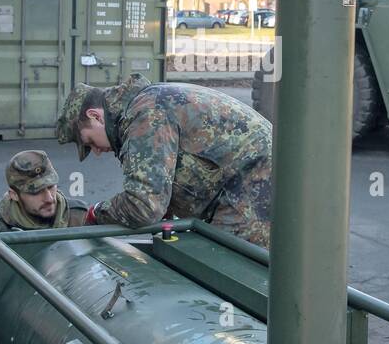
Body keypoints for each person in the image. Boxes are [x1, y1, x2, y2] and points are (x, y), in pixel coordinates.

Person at [56, 74, 273, 248]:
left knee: (224, 266)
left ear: (95, 116)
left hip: (255, 186)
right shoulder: (145, 104)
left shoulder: (145, 114)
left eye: (89, 142)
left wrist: (96, 214)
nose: (95, 151)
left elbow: (142, 205)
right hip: (251, 183)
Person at [0, 150, 85, 235]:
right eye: (36, 192)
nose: (49, 198)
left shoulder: (78, 216)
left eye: (51, 187)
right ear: (14, 195)